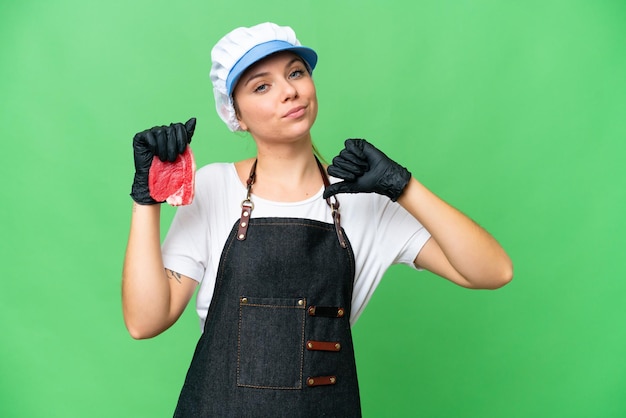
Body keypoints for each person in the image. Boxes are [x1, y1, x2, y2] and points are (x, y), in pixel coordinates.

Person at [122, 22, 513, 417]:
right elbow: (145, 322)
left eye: (296, 72)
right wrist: (146, 199)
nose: (289, 90)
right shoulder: (214, 186)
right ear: (235, 114)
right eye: (262, 86)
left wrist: (403, 186)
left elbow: (492, 271)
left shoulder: (365, 200)